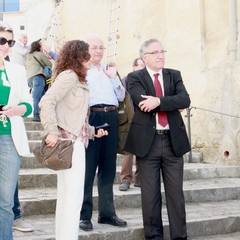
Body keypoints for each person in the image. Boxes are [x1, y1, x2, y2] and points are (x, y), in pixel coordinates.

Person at [39, 40, 108, 240]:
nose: (91, 56)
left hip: (75, 141)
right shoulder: (69, 76)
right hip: (69, 144)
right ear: (79, 55)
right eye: (88, 52)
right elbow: (47, 101)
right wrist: (52, 130)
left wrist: (94, 131)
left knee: (68, 196)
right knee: (73, 198)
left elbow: (75, 115)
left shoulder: (77, 78)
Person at [124, 39, 191, 240]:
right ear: (145, 58)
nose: (161, 55)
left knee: (176, 195)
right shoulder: (135, 77)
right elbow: (141, 102)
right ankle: (154, 237)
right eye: (155, 52)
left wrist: (159, 102)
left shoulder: (174, 75)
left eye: (162, 51)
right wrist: (170, 104)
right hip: (148, 144)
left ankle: (180, 237)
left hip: (173, 142)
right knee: (150, 195)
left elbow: (185, 100)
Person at [79, 35, 127, 231]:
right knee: (88, 169)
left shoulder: (110, 71)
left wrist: (114, 77)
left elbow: (122, 96)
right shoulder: (81, 70)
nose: (98, 51)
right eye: (94, 47)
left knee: (107, 169)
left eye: (101, 48)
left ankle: (107, 214)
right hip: (92, 118)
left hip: (111, 118)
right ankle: (84, 216)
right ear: (86, 50)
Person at [0, 21, 33, 240]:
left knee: (5, 202)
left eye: (9, 41)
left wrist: (16, 110)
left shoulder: (18, 70)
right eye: (2, 40)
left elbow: (28, 105)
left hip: (10, 140)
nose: (6, 45)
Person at [119, 57, 145, 191]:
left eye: (143, 65)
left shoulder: (147, 80)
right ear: (134, 67)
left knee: (142, 151)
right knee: (128, 152)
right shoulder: (127, 79)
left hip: (144, 120)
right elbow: (121, 98)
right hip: (129, 119)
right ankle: (125, 179)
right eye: (139, 65)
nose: (141, 68)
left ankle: (140, 179)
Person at [26, 39, 52, 122]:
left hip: (29, 79)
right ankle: (36, 115)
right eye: (41, 45)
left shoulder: (29, 55)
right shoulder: (40, 54)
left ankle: (44, 115)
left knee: (43, 98)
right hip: (38, 77)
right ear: (39, 47)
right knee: (37, 97)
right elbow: (50, 64)